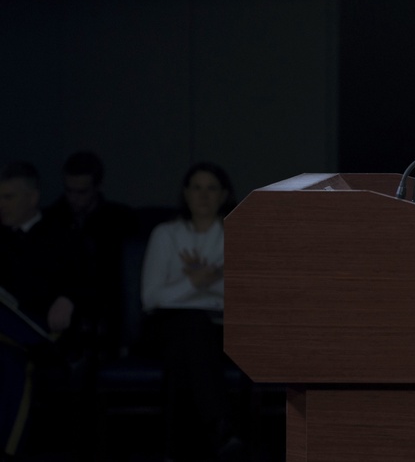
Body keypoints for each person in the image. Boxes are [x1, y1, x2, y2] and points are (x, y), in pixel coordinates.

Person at [139, 161, 244, 461]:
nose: (203, 196)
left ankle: (175, 448)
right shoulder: (166, 234)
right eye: (196, 188)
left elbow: (240, 297)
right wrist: (198, 281)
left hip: (219, 328)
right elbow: (150, 298)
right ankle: (220, 427)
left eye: (211, 188)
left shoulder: (234, 233)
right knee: (190, 327)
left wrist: (194, 286)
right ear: (185, 193)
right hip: (166, 326)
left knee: (190, 339)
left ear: (224, 194)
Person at [0, 162, 83, 459]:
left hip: (43, 333)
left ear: (32, 198)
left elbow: (85, 280)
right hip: (7, 331)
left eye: (8, 197)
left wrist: (68, 298)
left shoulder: (61, 233)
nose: (1, 205)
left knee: (9, 362)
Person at [44, 151, 140, 358]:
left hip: (103, 309)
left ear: (98, 187)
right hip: (59, 309)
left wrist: (73, 297)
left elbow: (112, 276)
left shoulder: (119, 221)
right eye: (69, 191)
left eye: (82, 192)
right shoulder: (52, 220)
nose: (74, 199)